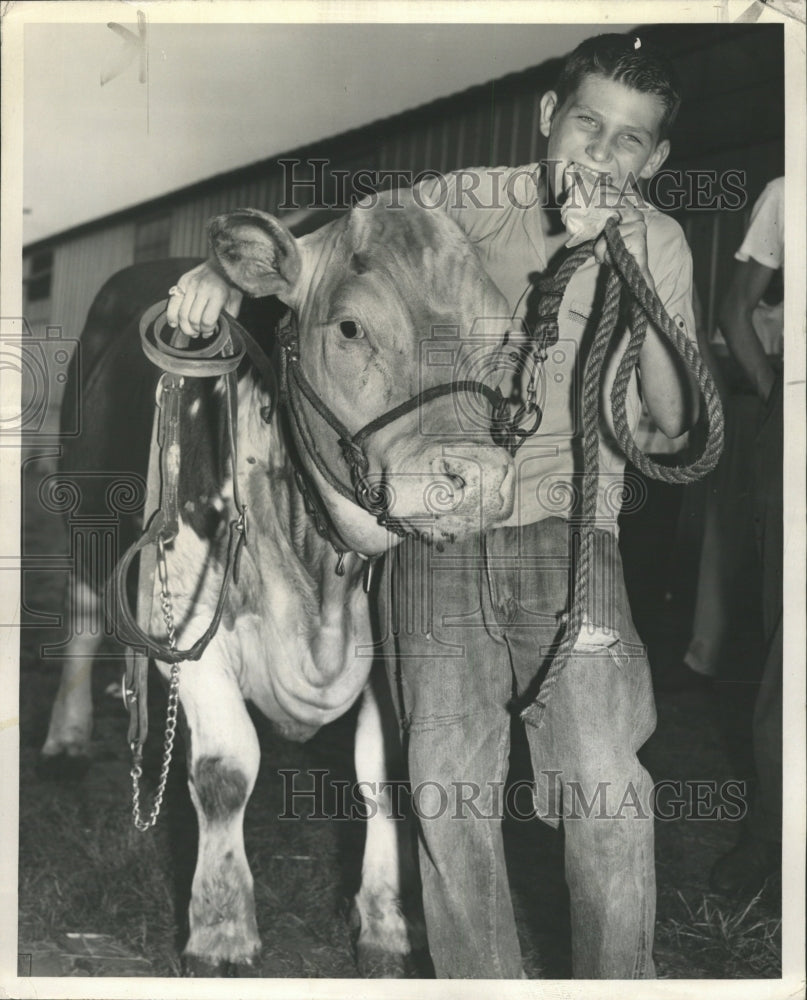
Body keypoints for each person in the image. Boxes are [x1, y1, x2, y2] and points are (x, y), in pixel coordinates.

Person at [165, 34, 700, 978]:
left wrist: (625, 256)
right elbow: (337, 233)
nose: (598, 155)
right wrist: (223, 274)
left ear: (652, 161)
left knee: (604, 784)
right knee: (448, 790)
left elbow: (671, 415)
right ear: (548, 118)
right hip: (436, 539)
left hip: (569, 536)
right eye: (586, 123)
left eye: (629, 142)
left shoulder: (656, 238)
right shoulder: (459, 202)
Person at [707, 177, 784, 896]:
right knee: (785, 645)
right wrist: (777, 403)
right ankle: (772, 835)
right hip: (791, 433)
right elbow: (733, 309)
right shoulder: (788, 195)